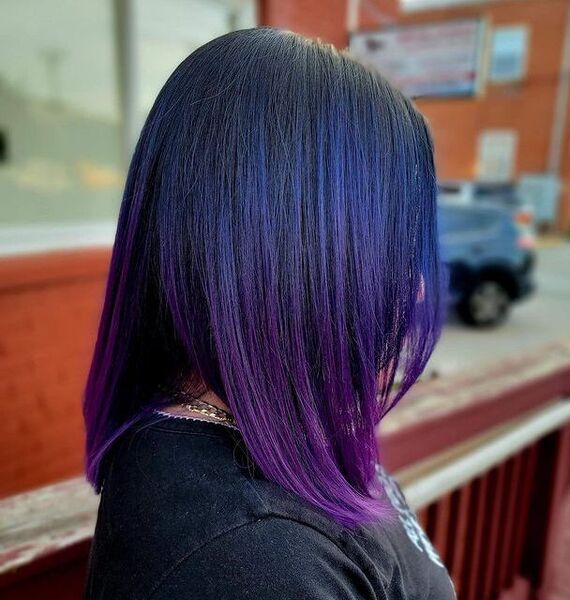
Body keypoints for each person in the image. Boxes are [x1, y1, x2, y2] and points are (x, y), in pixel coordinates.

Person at [83, 27, 453, 599]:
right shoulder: (249, 560)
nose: (419, 289)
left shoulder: (280, 434)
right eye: (397, 248)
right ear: (300, 253)